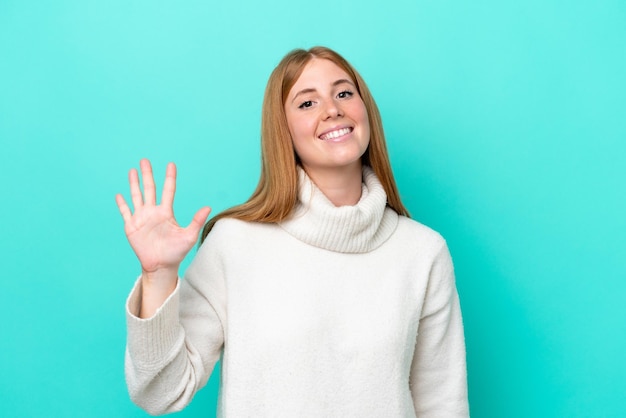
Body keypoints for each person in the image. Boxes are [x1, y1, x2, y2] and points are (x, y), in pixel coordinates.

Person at [116, 46, 469, 417]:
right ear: (282, 131)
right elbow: (161, 393)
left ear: (366, 111)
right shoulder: (235, 244)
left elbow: (443, 405)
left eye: (344, 93)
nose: (332, 109)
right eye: (306, 103)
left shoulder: (422, 252)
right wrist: (158, 277)